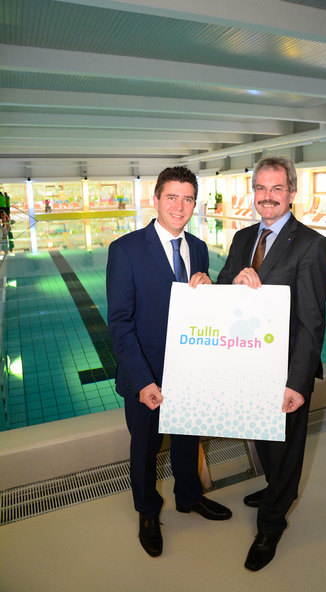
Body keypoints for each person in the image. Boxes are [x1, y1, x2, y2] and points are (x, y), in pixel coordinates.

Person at [106, 166, 231, 559]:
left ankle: (189, 497)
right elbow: (120, 324)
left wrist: (210, 289)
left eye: (188, 198)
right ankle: (147, 512)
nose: (180, 206)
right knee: (145, 448)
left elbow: (202, 313)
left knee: (188, 439)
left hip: (189, 370)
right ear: (155, 199)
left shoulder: (199, 247)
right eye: (172, 197)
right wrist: (143, 380)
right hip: (145, 374)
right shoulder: (125, 250)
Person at [217, 155, 326, 571]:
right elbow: (223, 285)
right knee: (263, 440)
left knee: (285, 450)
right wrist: (232, 280)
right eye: (261, 188)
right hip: (250, 365)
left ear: (292, 193)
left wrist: (297, 383)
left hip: (285, 370)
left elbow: (311, 321)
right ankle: (273, 488)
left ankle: (271, 525)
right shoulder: (243, 238)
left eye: (277, 188)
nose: (268, 196)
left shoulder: (311, 245)